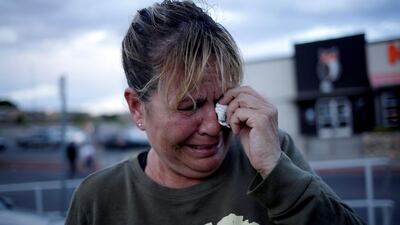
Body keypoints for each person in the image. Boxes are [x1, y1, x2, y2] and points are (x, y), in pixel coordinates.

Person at [65, 1, 365, 224]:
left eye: (221, 100)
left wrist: (276, 170)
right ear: (136, 107)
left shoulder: (271, 156)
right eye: (188, 106)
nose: (213, 124)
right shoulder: (98, 200)